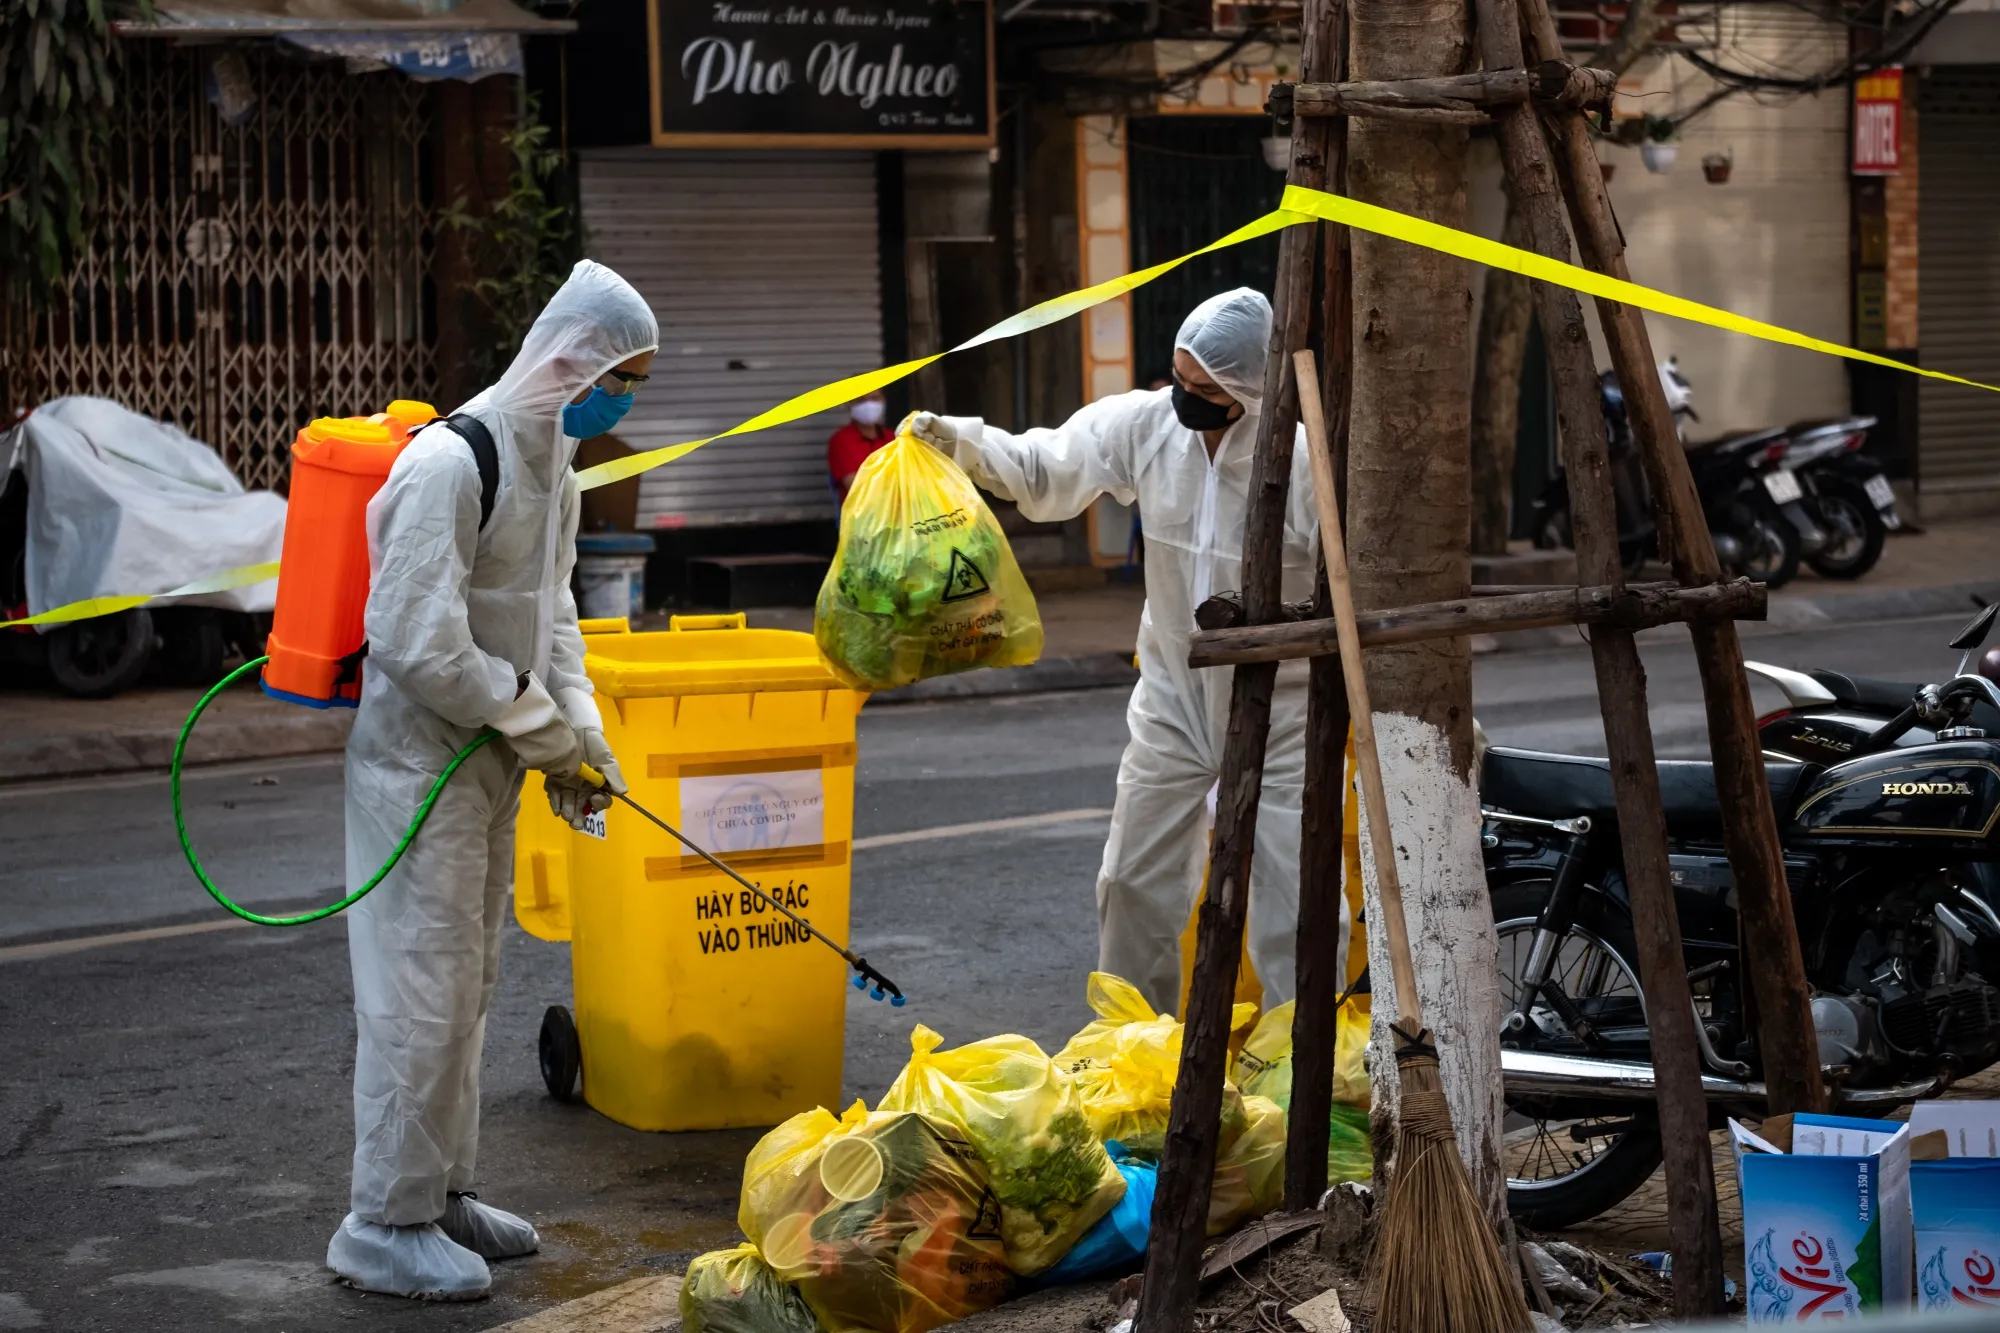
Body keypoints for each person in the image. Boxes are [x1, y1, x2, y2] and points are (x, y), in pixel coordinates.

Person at [328, 260, 659, 1301]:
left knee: (468, 985)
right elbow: (414, 641)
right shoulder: (451, 460)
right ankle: (381, 1220)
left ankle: (443, 1192)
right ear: (571, 359)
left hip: (487, 762)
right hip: (417, 765)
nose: (624, 400)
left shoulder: (553, 456)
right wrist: (536, 725)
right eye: (622, 377)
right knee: (419, 994)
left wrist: (582, 739)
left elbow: (549, 613)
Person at [910, 289, 1318, 1014]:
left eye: (1207, 392)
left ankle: (1306, 1067)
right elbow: (1043, 469)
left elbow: (1346, 584)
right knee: (1132, 881)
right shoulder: (1148, 425)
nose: (1185, 399)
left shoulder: (1302, 457)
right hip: (1172, 694)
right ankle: (1136, 1048)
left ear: (1252, 395)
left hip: (1284, 704)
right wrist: (956, 441)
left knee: (1292, 903)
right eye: (1179, 379)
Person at [828, 390, 890, 504]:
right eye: (860, 400)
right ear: (850, 403)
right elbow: (856, 487)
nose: (869, 404)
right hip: (861, 515)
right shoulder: (841, 441)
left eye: (874, 398)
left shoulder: (893, 437)